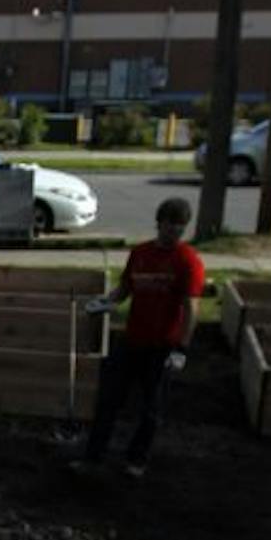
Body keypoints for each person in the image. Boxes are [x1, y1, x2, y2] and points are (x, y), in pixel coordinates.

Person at [72, 196, 206, 480]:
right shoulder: (141, 254)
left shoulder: (188, 261)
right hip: (133, 340)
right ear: (159, 223)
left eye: (180, 226)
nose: (174, 231)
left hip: (162, 345)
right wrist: (105, 303)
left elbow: (192, 307)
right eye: (170, 224)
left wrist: (182, 347)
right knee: (108, 400)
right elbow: (124, 290)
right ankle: (93, 457)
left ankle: (136, 460)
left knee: (152, 408)